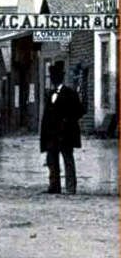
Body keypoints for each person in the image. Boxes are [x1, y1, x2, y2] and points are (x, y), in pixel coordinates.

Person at [40, 62, 85, 195]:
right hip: (52, 134)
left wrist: (67, 120)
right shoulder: (50, 94)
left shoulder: (70, 93)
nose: (54, 79)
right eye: (53, 76)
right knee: (52, 160)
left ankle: (71, 188)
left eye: (56, 76)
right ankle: (54, 186)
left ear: (61, 78)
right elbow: (47, 116)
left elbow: (80, 111)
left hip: (65, 134)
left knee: (68, 160)